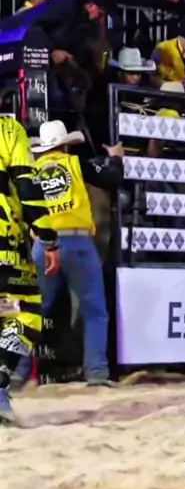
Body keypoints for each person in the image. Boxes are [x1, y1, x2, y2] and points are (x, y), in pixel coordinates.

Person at [30, 120, 124, 386]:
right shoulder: (75, 164)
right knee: (94, 310)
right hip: (78, 242)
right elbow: (111, 178)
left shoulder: (31, 172)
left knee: (34, 312)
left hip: (43, 245)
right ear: (66, 146)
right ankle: (96, 373)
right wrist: (115, 159)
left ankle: (15, 373)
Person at [0, 117, 60, 422]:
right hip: (4, 243)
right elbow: (28, 186)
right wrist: (48, 239)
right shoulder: (8, 130)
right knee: (25, 313)